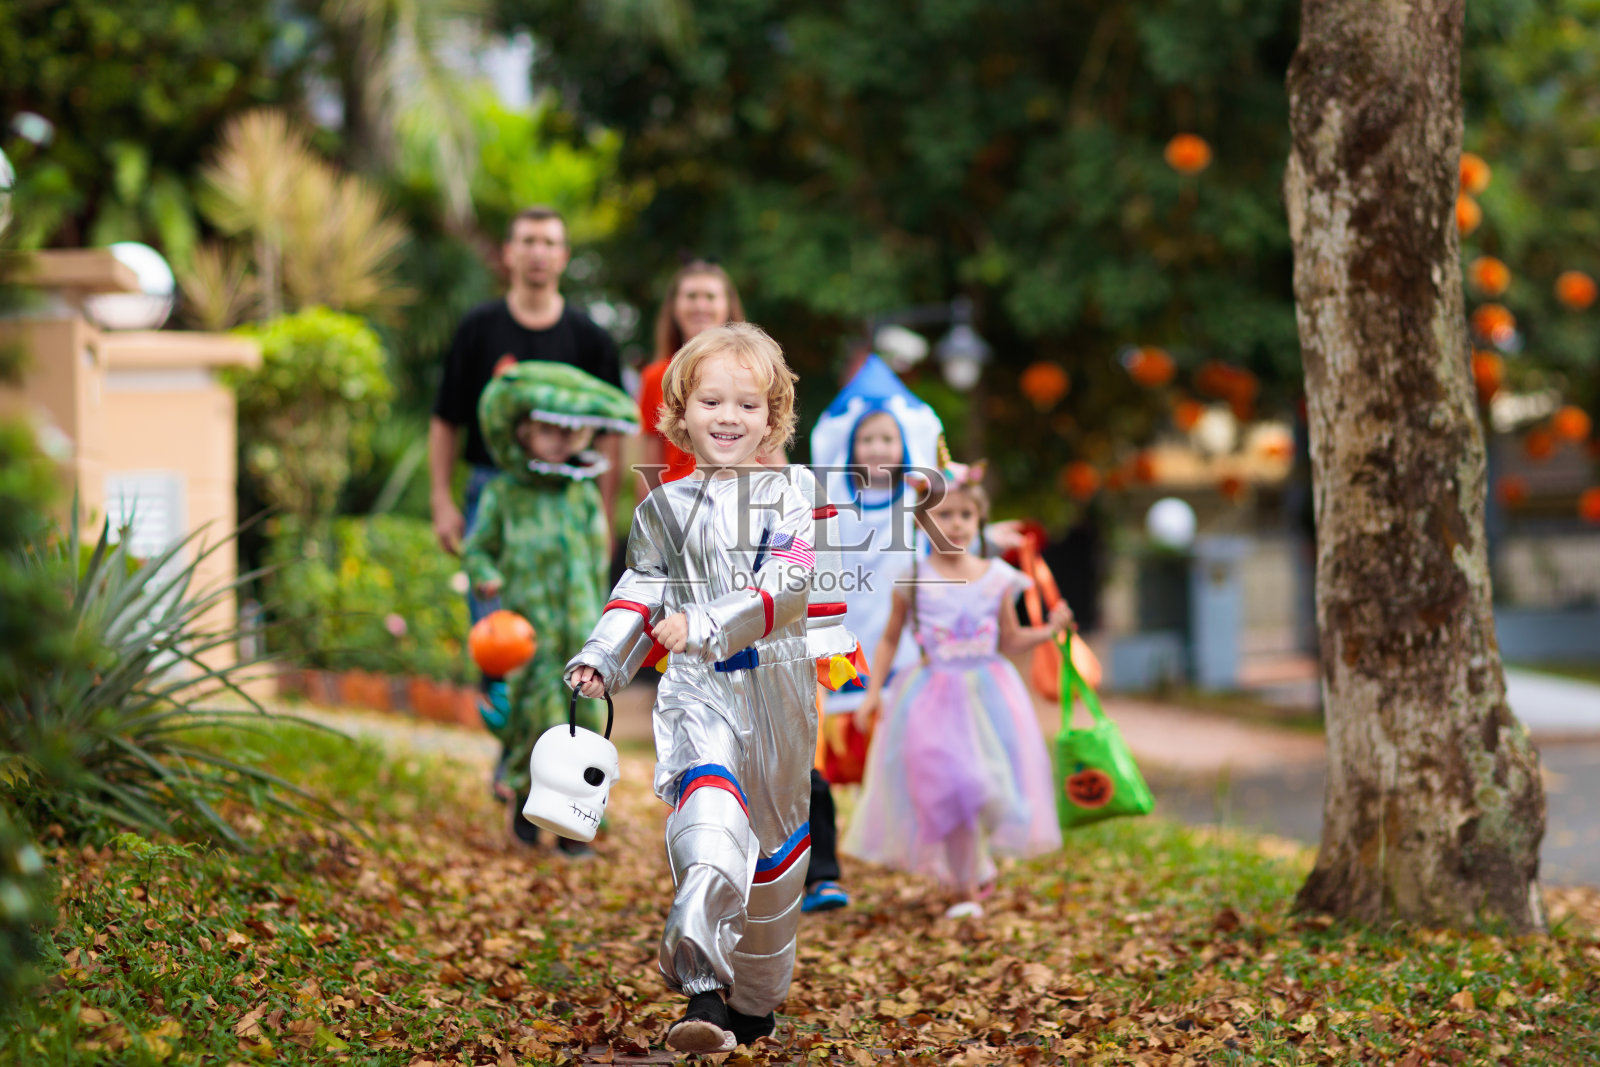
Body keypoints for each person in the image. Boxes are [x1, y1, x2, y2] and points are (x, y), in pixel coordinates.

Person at [566, 323, 819, 1053]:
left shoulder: (795, 496)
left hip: (778, 697)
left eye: (747, 404)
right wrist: (604, 656)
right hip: (698, 693)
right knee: (707, 816)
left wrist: (705, 619)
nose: (729, 417)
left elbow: (791, 583)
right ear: (680, 411)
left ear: (773, 418)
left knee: (774, 866)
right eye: (712, 400)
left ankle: (753, 1002)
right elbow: (641, 589)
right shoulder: (661, 508)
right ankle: (700, 981)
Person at [842, 450, 1069, 919]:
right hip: (930, 699)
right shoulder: (914, 581)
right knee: (948, 785)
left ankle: (971, 865)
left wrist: (1049, 628)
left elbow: (1009, 638)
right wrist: (871, 694)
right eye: (944, 515)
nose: (957, 524)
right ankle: (965, 887)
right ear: (923, 523)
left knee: (985, 787)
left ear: (979, 520)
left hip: (988, 696)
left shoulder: (998, 578)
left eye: (966, 515)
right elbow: (888, 639)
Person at [460, 361, 638, 853]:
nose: (559, 441)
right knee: (534, 713)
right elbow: (476, 549)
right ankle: (524, 796)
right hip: (527, 630)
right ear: (522, 433)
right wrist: (486, 577)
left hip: (581, 628)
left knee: (583, 716)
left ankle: (576, 819)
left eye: (569, 431)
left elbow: (599, 553)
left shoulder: (581, 494)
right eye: (547, 430)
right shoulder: (504, 494)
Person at [802, 354, 945, 913]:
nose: (879, 448)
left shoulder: (917, 501)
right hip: (840, 642)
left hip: (904, 652)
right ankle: (824, 869)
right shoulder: (830, 503)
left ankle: (922, 854)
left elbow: (953, 540)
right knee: (820, 765)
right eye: (868, 439)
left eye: (889, 438)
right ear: (851, 448)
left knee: (910, 756)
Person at [429, 206, 625, 589]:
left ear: (563, 257)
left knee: (569, 627)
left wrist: (603, 512)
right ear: (508, 252)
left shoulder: (590, 337)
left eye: (549, 243)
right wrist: (441, 498)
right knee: (497, 628)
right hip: (489, 490)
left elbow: (610, 435)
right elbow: (445, 418)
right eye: (528, 241)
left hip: (568, 496)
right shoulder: (477, 328)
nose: (539, 252)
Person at [635, 260, 745, 485]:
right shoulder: (656, 378)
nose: (701, 306)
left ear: (727, 306)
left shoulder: (751, 372)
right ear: (674, 307)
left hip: (740, 504)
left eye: (711, 297)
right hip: (679, 511)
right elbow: (650, 467)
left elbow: (773, 451)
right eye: (691, 296)